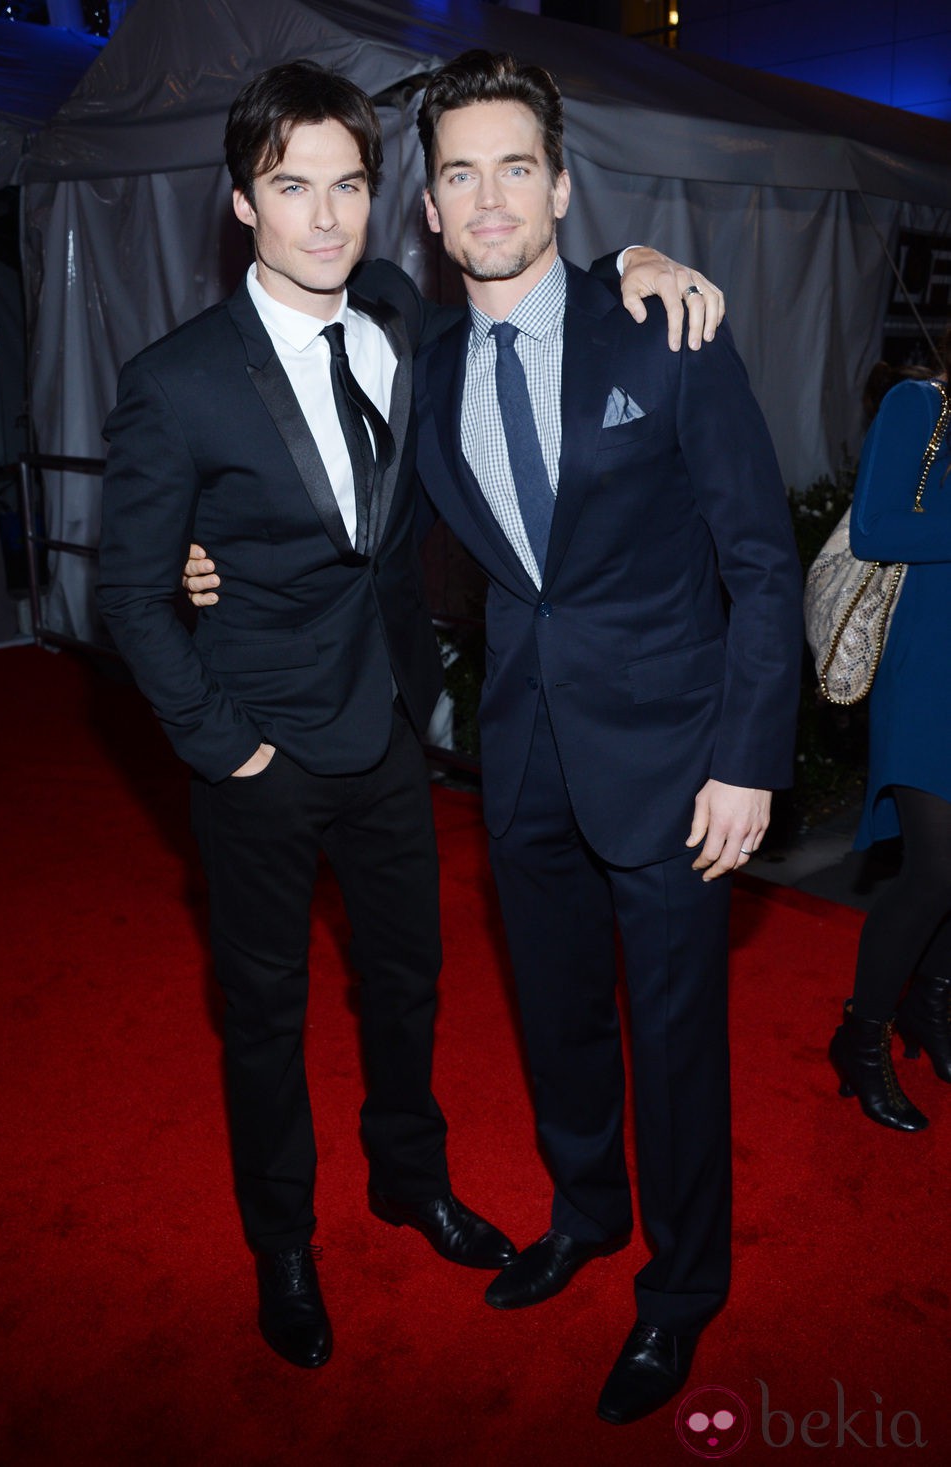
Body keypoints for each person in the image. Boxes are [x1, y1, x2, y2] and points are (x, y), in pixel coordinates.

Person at [187, 51, 801, 1423]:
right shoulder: (423, 361)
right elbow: (321, 489)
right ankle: (587, 1211)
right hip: (518, 756)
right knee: (562, 1021)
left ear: (564, 186)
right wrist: (203, 552)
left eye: (515, 165)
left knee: (677, 1040)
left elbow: (762, 560)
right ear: (430, 208)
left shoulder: (665, 330)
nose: (487, 195)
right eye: (458, 170)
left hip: (678, 763)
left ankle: (681, 1286)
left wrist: (751, 752)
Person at [829, 329, 951, 1132]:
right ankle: (860, 1035)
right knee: (936, 868)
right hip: (926, 673)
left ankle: (929, 1007)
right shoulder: (920, 404)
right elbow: (874, 528)